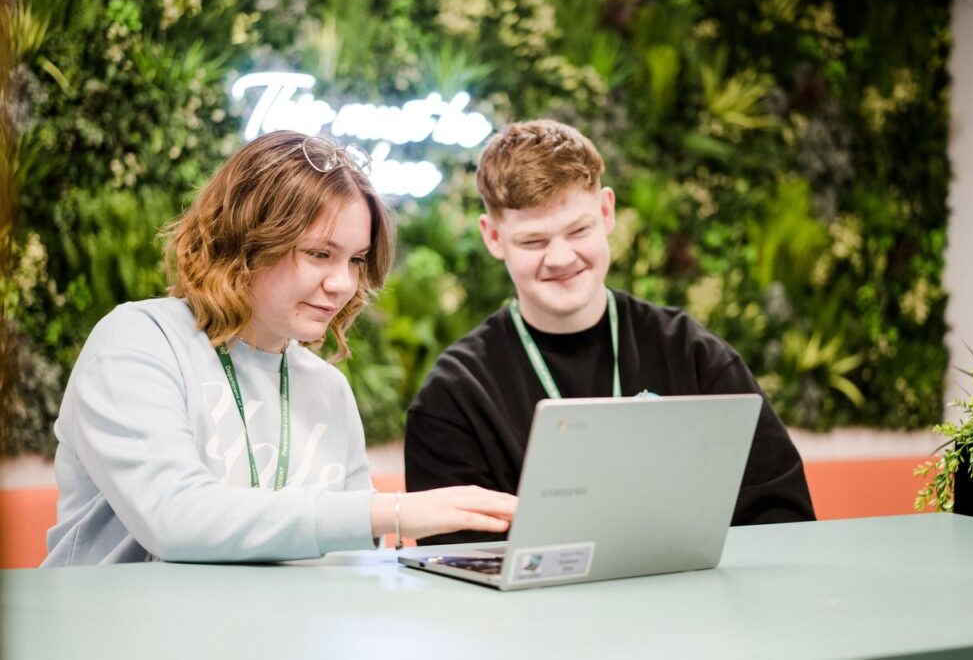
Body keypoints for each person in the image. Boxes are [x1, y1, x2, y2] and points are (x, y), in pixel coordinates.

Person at [43, 130, 516, 566]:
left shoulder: (327, 388)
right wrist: (389, 511)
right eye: (319, 254)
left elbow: (348, 562)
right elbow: (174, 517)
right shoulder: (139, 340)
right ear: (245, 242)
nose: (343, 283)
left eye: (356, 260)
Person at [404, 119, 814, 545]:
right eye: (533, 242)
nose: (561, 258)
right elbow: (454, 564)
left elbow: (784, 518)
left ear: (606, 212)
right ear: (493, 237)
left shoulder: (691, 354)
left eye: (578, 230)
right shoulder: (455, 395)